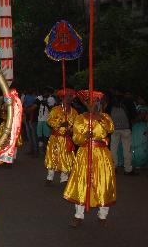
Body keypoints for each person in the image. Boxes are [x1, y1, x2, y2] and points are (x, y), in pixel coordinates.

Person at [64, 90, 116, 227]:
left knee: (103, 183)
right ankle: (78, 215)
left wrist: (100, 118)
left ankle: (103, 215)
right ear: (85, 103)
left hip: (102, 155)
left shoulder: (105, 117)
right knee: (82, 183)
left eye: (95, 101)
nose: (92, 104)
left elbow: (110, 128)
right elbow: (76, 138)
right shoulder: (80, 118)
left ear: (98, 103)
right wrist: (84, 136)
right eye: (89, 102)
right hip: (85, 153)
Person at [44, 89, 78, 185]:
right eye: (66, 97)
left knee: (66, 158)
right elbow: (49, 121)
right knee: (53, 156)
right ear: (62, 98)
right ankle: (50, 177)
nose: (68, 99)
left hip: (67, 138)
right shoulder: (56, 109)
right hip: (55, 138)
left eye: (70, 97)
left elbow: (76, 126)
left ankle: (64, 178)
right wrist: (60, 123)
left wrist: (70, 130)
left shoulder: (74, 112)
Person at [110, 95, 137, 175]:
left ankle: (114, 167)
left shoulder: (111, 105)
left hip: (115, 129)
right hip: (126, 128)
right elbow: (133, 115)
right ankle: (128, 169)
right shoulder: (127, 102)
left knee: (113, 148)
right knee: (127, 149)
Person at [36, 89, 56, 155]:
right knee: (39, 135)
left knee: (46, 136)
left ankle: (47, 151)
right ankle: (42, 150)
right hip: (40, 119)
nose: (44, 93)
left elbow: (52, 109)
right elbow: (36, 103)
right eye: (43, 92)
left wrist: (45, 103)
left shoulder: (51, 99)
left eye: (45, 92)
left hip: (47, 119)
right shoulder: (40, 98)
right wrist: (41, 101)